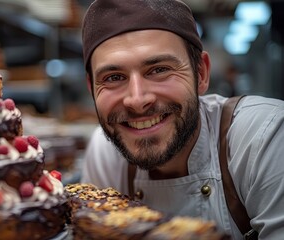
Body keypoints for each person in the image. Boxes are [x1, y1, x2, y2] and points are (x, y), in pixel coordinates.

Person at [79, 0, 284, 239]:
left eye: (158, 70)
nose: (137, 99)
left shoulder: (264, 136)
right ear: (91, 88)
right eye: (114, 77)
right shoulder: (105, 153)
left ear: (201, 74)